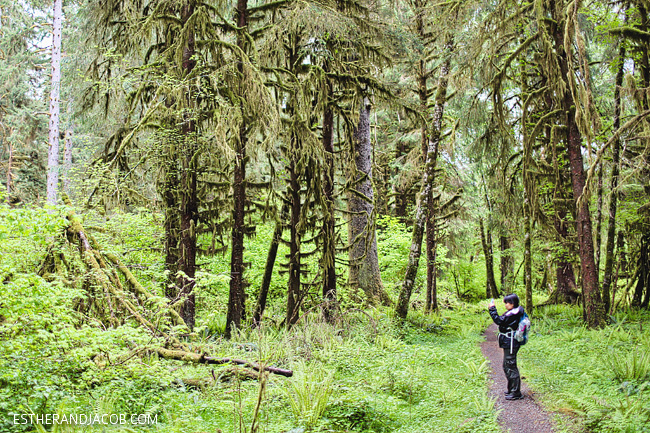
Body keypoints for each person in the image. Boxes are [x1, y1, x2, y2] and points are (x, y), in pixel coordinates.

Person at [488, 293, 525, 400]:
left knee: (510, 365)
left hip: (511, 342)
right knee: (506, 365)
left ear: (512, 303)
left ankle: (516, 392)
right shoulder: (514, 312)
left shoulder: (514, 313)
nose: (505, 305)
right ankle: (511, 388)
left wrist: (492, 309)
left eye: (507, 303)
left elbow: (499, 320)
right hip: (509, 341)